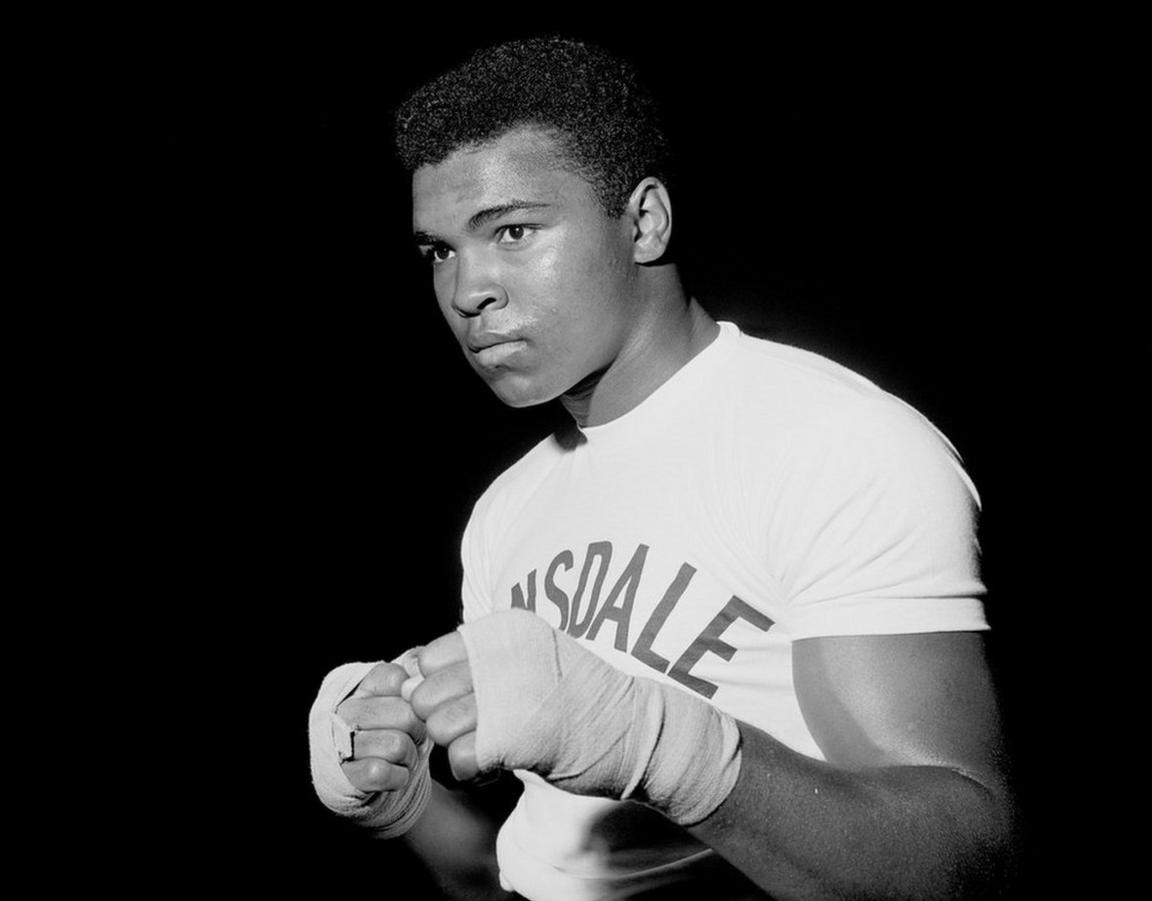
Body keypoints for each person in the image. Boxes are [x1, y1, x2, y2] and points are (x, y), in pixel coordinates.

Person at [308, 36, 1017, 900]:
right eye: (440, 252)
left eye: (514, 230)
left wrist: (663, 745)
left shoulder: (838, 443)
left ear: (644, 221)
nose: (468, 291)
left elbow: (960, 861)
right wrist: (402, 799)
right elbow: (535, 872)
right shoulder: (507, 510)